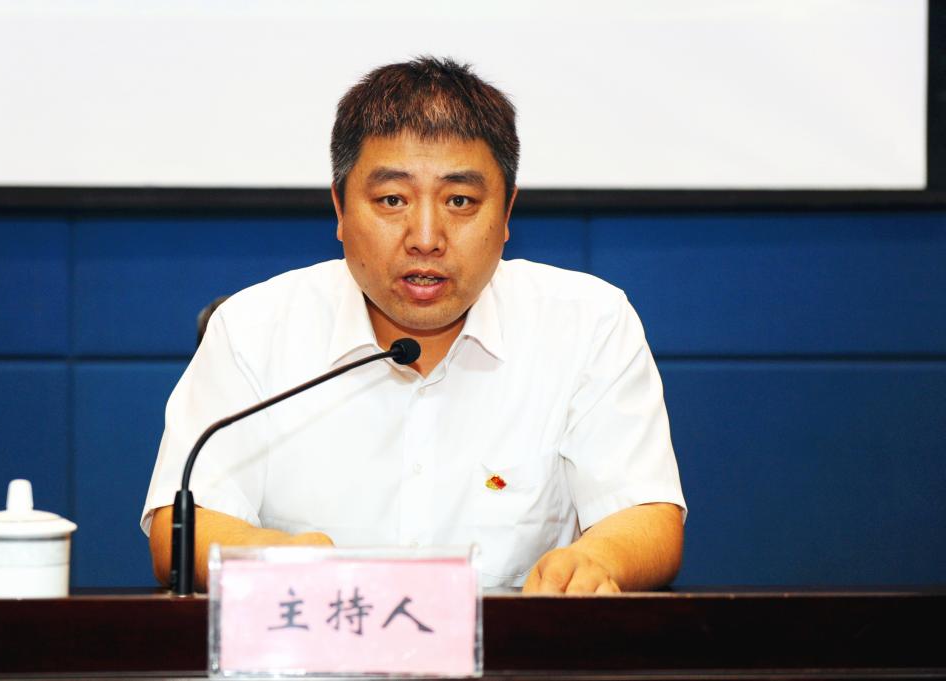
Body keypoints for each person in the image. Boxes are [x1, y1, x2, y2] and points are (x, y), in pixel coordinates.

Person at [142, 57, 686, 595]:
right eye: (392, 200)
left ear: (506, 213)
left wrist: (595, 561)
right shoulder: (253, 329)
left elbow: (645, 513)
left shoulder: (587, 323)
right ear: (340, 208)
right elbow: (181, 528)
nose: (426, 237)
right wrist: (281, 562)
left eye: (460, 201)